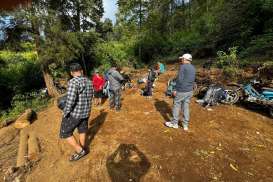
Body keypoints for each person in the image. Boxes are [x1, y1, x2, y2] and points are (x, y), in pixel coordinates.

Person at [59, 63, 93, 161]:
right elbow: (91, 97)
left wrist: (65, 112)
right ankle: (83, 147)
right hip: (86, 112)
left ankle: (80, 150)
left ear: (71, 73)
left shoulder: (73, 82)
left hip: (75, 113)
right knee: (82, 130)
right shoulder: (89, 81)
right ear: (81, 70)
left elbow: (71, 100)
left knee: (65, 132)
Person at [165, 53, 196, 131]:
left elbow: (179, 79)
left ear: (185, 59)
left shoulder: (183, 67)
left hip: (182, 90)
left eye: (182, 59)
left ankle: (174, 123)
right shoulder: (193, 67)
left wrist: (175, 89)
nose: (181, 60)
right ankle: (185, 125)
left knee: (176, 105)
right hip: (189, 91)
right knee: (186, 107)